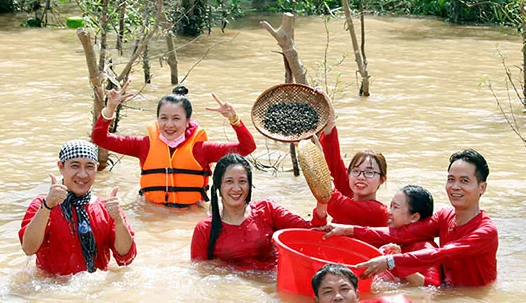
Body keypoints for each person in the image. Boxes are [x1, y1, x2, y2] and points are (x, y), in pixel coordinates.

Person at [319, 149, 498, 287]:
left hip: (474, 299)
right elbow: (401, 233)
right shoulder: (445, 216)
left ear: (482, 188)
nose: (455, 187)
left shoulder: (486, 231)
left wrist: (390, 261)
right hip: (447, 292)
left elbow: (440, 253)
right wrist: (347, 230)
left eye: (464, 181)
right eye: (451, 179)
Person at [91, 83, 256, 208]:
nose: (169, 125)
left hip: (190, 213)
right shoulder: (144, 145)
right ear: (157, 119)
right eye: (163, 118)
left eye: (176, 118)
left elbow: (247, 148)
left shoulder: (202, 149)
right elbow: (100, 139)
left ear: (187, 121)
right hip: (150, 212)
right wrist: (110, 108)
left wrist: (234, 119)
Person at [19, 140, 137, 276]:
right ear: (61, 167)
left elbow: (126, 259)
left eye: (89, 167)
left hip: (94, 287)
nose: (82, 174)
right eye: (75, 166)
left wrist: (118, 220)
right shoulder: (42, 204)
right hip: (52, 289)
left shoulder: (107, 208)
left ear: (96, 168)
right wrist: (47, 206)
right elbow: (28, 248)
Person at [190, 153, 326, 270]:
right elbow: (201, 272)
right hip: (235, 293)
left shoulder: (267, 210)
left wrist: (322, 201)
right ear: (219, 186)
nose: (236, 188)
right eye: (229, 181)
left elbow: (311, 233)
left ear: (249, 184)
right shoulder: (204, 229)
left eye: (242, 181)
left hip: (273, 287)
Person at [313, 96, 388, 227]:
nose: (361, 177)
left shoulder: (378, 212)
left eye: (369, 173)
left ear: (382, 179)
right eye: (356, 171)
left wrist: (315, 159)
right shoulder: (351, 194)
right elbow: (334, 164)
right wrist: (330, 123)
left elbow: (333, 202)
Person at [379, 185, 441, 287]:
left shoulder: (426, 248)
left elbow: (432, 287)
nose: (389, 212)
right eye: (390, 206)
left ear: (414, 217)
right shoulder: (393, 242)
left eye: (395, 207)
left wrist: (399, 262)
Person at [312, 264, 418, 303]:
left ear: (357, 295)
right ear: (317, 302)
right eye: (328, 292)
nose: (338, 297)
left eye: (344, 289)